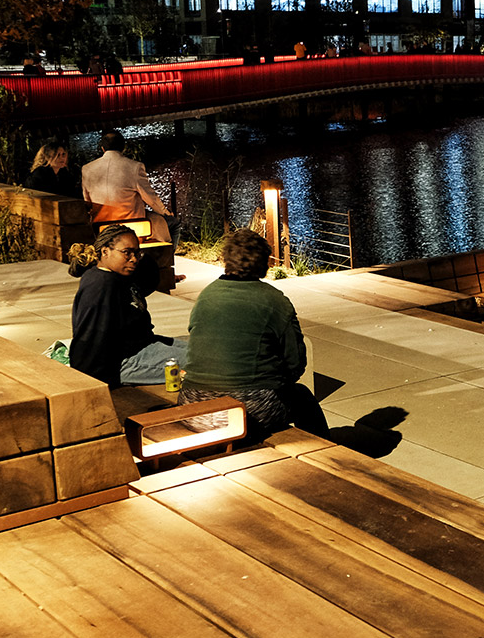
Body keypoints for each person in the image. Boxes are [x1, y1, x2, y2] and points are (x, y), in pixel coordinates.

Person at [177, 229, 330, 439]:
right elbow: (295, 362)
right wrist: (274, 379)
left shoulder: (207, 295)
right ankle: (325, 452)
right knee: (302, 397)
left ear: (227, 260)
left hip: (192, 407)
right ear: (264, 263)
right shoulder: (274, 300)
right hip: (247, 410)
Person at [68, 224, 186, 388]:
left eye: (137, 253)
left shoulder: (117, 277)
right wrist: (94, 381)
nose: (134, 258)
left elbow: (147, 280)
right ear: (105, 251)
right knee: (207, 362)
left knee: (205, 350)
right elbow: (89, 338)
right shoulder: (101, 286)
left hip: (143, 346)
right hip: (123, 362)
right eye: (126, 252)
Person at [82, 129, 178, 245]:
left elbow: (87, 202)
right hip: (131, 223)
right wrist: (165, 212)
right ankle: (168, 254)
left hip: (100, 225)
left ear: (103, 148)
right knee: (173, 223)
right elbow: (151, 199)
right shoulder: (135, 167)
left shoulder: (87, 169)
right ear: (123, 147)